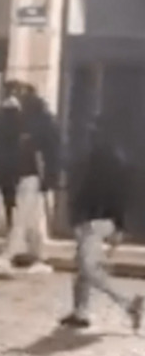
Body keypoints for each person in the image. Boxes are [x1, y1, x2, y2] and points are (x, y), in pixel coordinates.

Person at [60, 116, 143, 330]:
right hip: (101, 220)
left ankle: (127, 302)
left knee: (88, 268)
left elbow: (89, 193)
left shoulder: (99, 159)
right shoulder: (118, 160)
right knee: (82, 266)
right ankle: (81, 311)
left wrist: (80, 218)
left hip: (94, 220)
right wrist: (120, 226)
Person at [0, 82, 59, 273]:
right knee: (32, 219)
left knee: (21, 216)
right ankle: (40, 257)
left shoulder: (34, 122)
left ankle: (11, 253)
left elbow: (47, 151)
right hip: (27, 174)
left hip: (30, 174)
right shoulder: (33, 119)